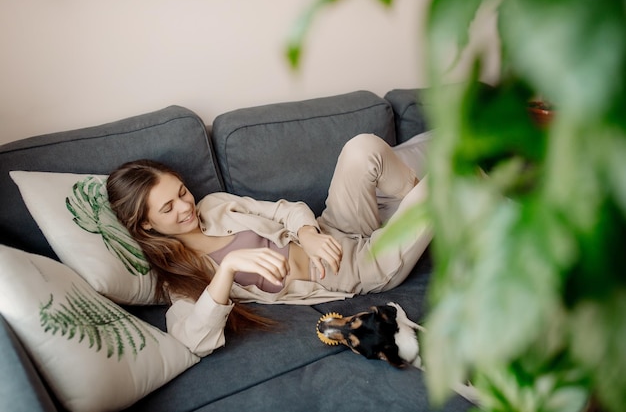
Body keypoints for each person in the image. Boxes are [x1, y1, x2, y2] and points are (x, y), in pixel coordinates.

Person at [106, 134, 432, 356]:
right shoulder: (183, 278)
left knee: (363, 147)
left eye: (181, 193)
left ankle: (430, 215)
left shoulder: (215, 205)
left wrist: (309, 235)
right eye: (168, 208)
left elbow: (283, 210)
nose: (184, 206)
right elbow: (194, 340)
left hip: (333, 228)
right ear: (147, 224)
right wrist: (230, 267)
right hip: (360, 269)